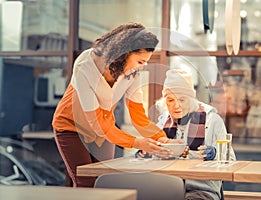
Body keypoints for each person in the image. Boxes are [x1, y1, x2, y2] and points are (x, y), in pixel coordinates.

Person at [52, 23, 180, 188]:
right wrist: (138, 143)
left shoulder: (133, 73)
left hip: (104, 130)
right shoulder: (86, 64)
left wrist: (161, 138)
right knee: (86, 183)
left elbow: (138, 116)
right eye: (140, 61)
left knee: (105, 181)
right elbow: (97, 124)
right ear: (124, 53)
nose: (142, 66)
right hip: (71, 127)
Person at [136, 69, 236, 200]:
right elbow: (151, 156)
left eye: (182, 100)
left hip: (201, 189)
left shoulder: (212, 120)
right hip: (165, 186)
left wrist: (215, 154)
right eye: (171, 100)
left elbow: (231, 160)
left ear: (191, 99)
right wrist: (145, 152)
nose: (176, 106)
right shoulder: (162, 121)